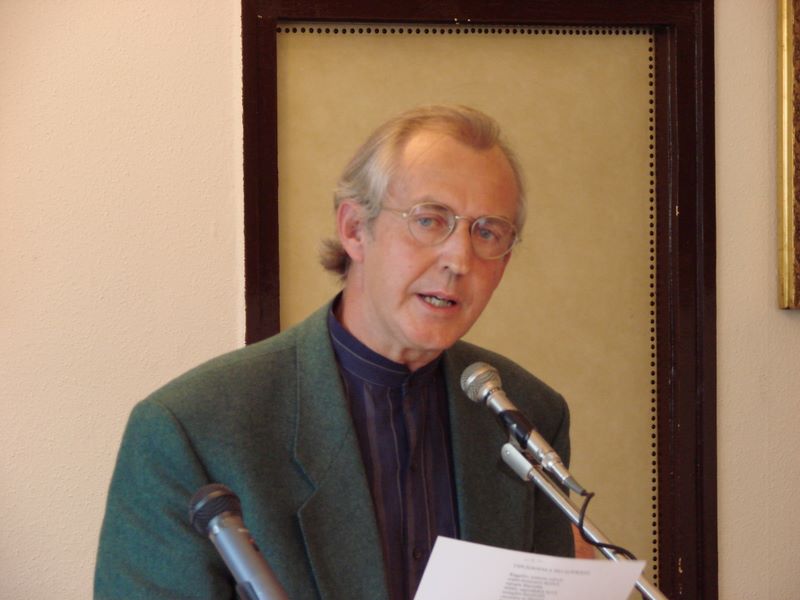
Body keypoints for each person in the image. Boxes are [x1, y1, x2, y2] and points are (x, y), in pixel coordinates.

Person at [94, 105, 574, 600]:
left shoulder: (528, 414)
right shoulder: (192, 429)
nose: (459, 259)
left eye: (488, 232)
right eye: (430, 220)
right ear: (354, 229)